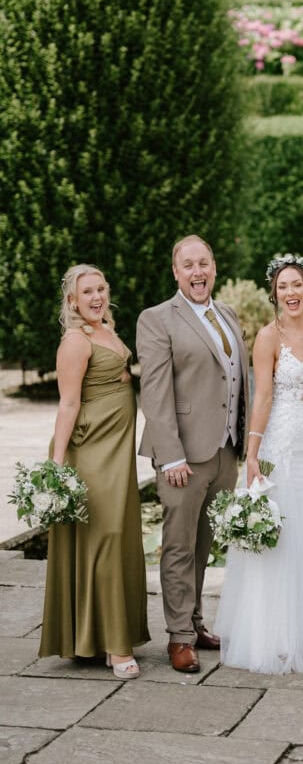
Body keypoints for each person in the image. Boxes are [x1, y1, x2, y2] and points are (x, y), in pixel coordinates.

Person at [214, 253, 303, 674]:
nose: (290, 293)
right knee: (281, 541)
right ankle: (273, 638)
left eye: (297, 285)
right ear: (275, 294)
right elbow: (263, 397)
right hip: (279, 447)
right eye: (283, 287)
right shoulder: (267, 338)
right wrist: (253, 454)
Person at [136, 235, 250, 673]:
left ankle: (196, 623)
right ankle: (179, 637)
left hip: (224, 452)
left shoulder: (228, 314)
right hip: (183, 455)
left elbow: (235, 383)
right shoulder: (157, 319)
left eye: (204, 262)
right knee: (179, 547)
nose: (198, 271)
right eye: (189, 265)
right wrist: (171, 456)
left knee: (204, 545)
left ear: (214, 267)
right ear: (176, 272)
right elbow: (156, 393)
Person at [39, 265, 149, 677]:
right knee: (106, 535)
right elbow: (68, 403)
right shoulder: (75, 341)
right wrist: (57, 464)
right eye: (87, 292)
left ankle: (96, 637)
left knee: (116, 534)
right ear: (72, 301)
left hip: (116, 449)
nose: (97, 297)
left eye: (101, 288)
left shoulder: (106, 329)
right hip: (91, 448)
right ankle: (116, 647)